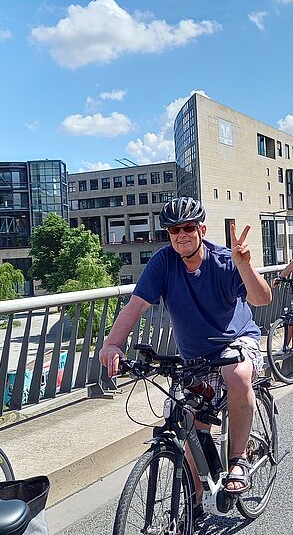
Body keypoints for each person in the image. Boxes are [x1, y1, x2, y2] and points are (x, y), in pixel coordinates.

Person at [99, 197, 272, 508]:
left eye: (188, 228)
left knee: (237, 373)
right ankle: (194, 503)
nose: (181, 235)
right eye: (174, 229)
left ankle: (238, 459)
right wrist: (113, 343)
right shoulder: (164, 263)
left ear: (201, 229)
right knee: (188, 420)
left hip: (237, 342)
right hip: (196, 357)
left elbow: (262, 299)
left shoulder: (224, 261)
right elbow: (136, 305)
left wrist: (244, 264)